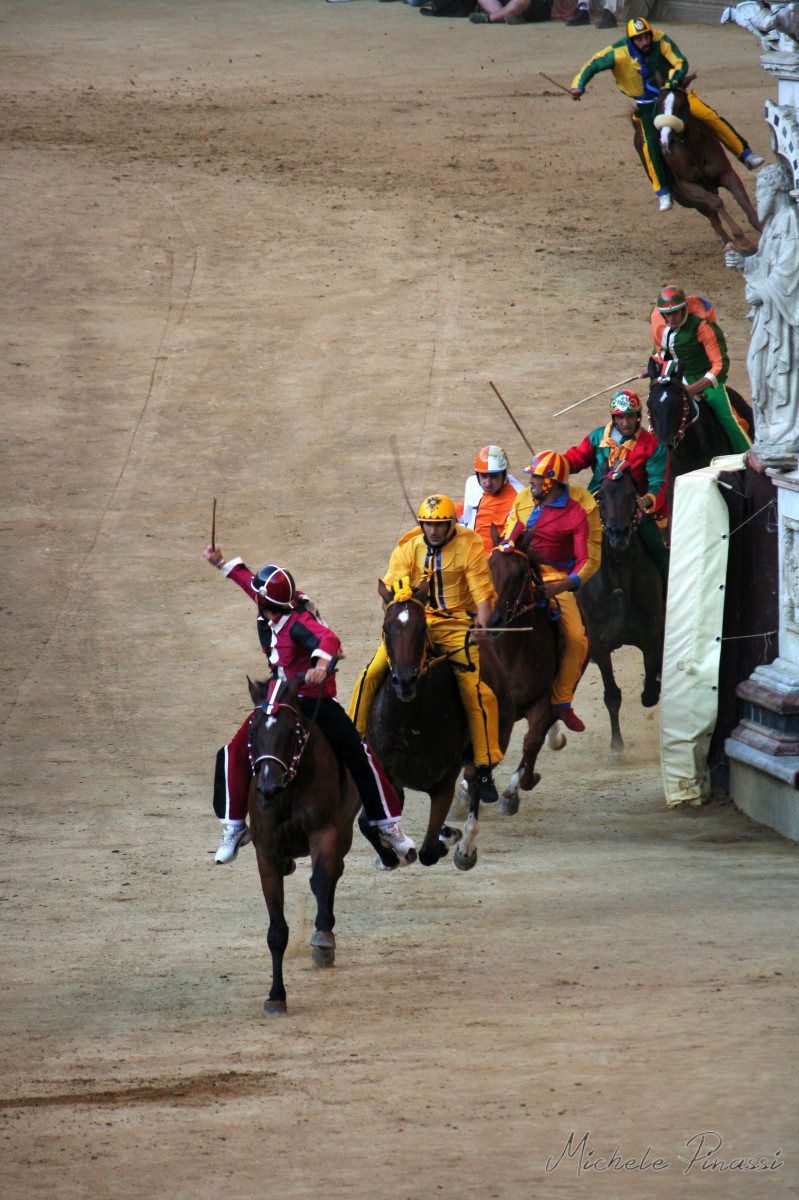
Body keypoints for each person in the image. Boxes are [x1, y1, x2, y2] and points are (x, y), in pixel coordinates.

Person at [204, 546, 415, 866]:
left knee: (358, 753)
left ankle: (385, 824)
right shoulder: (269, 603)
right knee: (235, 749)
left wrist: (321, 661)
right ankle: (234, 827)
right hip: (279, 693)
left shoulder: (299, 622)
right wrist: (222, 564)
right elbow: (249, 581)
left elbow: (327, 639)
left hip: (314, 697)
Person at [349, 495, 503, 803]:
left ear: (451, 524)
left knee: (474, 690)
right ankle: (354, 748)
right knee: (371, 674)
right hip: (412, 624)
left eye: (439, 525)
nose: (433, 531)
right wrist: (396, 619)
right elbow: (391, 593)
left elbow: (482, 594)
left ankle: (483, 766)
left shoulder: (470, 544)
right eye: (429, 524)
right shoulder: (408, 547)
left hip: (454, 625)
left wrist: (481, 626)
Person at [569, 18, 765, 212]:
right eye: (639, 39)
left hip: (673, 94)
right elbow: (592, 65)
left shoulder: (660, 39)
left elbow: (680, 62)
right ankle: (663, 191)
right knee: (650, 143)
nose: (645, 42)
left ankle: (744, 153)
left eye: (647, 37)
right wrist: (579, 85)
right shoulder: (616, 53)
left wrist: (671, 83)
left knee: (708, 115)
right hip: (647, 105)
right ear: (631, 40)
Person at [502, 451, 599, 732]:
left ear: (551, 482)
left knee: (576, 638)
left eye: (537, 477)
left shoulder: (577, 513)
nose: (531, 481)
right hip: (518, 567)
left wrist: (561, 585)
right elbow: (510, 536)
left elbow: (587, 560)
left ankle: (562, 701)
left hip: (552, 576)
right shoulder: (522, 500)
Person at [726, 161, 799, 467]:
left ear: (777, 189)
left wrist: (761, 290)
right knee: (757, 367)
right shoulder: (772, 225)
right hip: (768, 316)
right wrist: (745, 263)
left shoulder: (791, 222)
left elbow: (788, 275)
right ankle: (769, 431)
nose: (757, 197)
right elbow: (767, 264)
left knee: (778, 372)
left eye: (760, 189)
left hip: (782, 319)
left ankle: (785, 432)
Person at [565, 389, 670, 584]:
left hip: (637, 507)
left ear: (638, 417)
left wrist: (646, 500)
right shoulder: (597, 437)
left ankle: (668, 593)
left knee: (660, 551)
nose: (626, 423)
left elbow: (658, 481)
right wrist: (557, 463)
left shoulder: (653, 446)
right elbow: (577, 458)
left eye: (630, 417)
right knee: (567, 542)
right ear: (614, 418)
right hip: (598, 501)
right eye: (620, 418)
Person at [649, 284, 752, 454]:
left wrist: (694, 388)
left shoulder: (703, 327)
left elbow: (720, 364)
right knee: (658, 408)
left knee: (728, 419)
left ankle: (747, 460)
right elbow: (661, 350)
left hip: (704, 380)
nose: (671, 318)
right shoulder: (660, 323)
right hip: (674, 375)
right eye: (667, 313)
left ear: (684, 310)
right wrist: (654, 364)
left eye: (675, 312)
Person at [455, 445, 524, 554]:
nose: (488, 483)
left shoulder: (519, 496)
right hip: (469, 553)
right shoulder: (473, 483)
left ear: (504, 474)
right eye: (483, 476)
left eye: (494, 477)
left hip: (496, 560)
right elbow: (463, 509)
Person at [469, 0, 551, 25]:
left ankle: (490, 18)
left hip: (535, 5)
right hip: (507, 4)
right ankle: (505, 16)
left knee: (519, 1)